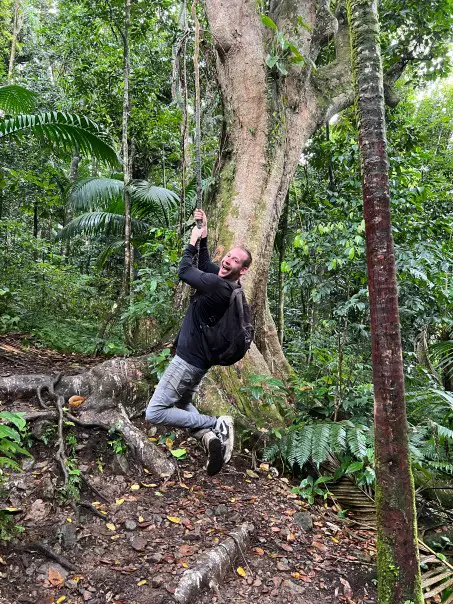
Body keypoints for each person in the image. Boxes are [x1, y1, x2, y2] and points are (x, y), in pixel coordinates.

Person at [145, 209, 252, 475]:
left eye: (235, 260)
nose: (227, 260)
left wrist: (191, 241)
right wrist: (203, 230)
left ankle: (216, 423)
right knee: (182, 405)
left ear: (243, 270)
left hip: (187, 362)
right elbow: (205, 264)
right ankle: (210, 437)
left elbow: (185, 271)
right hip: (197, 361)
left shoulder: (218, 287)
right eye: (228, 255)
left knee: (155, 412)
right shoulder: (226, 284)